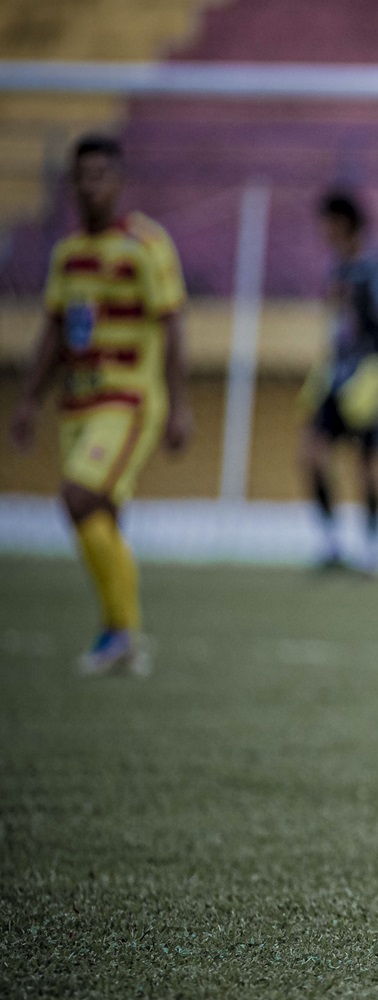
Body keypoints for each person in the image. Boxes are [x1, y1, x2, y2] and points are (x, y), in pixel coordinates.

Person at [9, 134, 192, 676]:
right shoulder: (68, 255)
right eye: (81, 176)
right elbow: (55, 330)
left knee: (78, 495)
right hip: (79, 403)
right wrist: (28, 401)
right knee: (101, 517)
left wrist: (180, 405)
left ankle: (122, 633)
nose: (90, 187)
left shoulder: (145, 245)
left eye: (100, 176)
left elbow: (173, 324)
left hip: (130, 400)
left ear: (118, 182)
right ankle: (120, 635)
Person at [298, 191, 378, 574]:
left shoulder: (375, 269)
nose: (322, 232)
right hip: (334, 373)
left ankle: (372, 549)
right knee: (312, 454)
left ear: (344, 224)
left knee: (368, 463)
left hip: (369, 374)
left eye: (327, 223)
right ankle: (330, 542)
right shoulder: (336, 269)